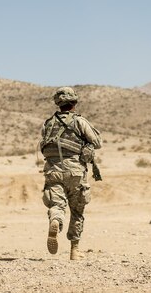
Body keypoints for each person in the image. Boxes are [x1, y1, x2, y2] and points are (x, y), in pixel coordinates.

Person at [39, 87, 102, 261]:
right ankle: (75, 250)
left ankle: (56, 220)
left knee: (57, 205)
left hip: (53, 170)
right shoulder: (79, 121)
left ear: (58, 104)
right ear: (74, 103)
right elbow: (97, 142)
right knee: (77, 210)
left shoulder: (48, 123)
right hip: (75, 171)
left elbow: (43, 145)